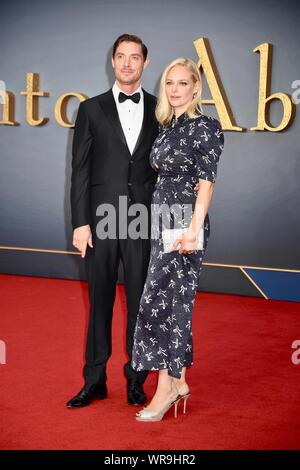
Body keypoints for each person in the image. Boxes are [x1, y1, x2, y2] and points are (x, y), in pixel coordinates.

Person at [67, 34, 158, 408]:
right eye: (120, 57)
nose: (126, 64)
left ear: (144, 64)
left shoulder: (160, 108)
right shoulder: (91, 109)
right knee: (99, 302)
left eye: (133, 57)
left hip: (142, 218)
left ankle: (137, 380)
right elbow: (80, 171)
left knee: (140, 304)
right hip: (101, 219)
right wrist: (80, 222)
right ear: (113, 61)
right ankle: (95, 380)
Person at [131, 57, 224, 421]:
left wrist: (193, 228)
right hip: (162, 220)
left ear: (196, 87)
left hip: (184, 222)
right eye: (169, 82)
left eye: (182, 83)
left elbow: (206, 183)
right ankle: (177, 380)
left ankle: (167, 387)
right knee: (169, 302)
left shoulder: (206, 127)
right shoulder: (168, 127)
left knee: (166, 303)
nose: (174, 89)